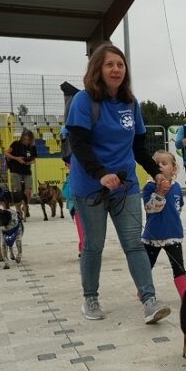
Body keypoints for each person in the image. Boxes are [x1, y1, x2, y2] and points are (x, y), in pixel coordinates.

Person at [66, 43, 171, 324]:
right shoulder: (83, 101)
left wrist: (155, 172)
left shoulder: (130, 103)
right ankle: (90, 297)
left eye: (120, 64)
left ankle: (149, 300)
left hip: (125, 186)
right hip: (91, 187)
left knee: (134, 244)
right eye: (109, 64)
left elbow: (138, 145)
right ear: (97, 69)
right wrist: (100, 173)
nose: (116, 69)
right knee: (94, 245)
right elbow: (78, 144)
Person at [142, 150, 186, 298]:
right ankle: (143, 290)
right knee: (146, 267)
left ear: (173, 169)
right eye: (156, 164)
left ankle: (185, 296)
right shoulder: (149, 187)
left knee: (179, 267)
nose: (160, 166)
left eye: (164, 163)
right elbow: (150, 209)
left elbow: (178, 206)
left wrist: (172, 221)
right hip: (153, 236)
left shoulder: (176, 187)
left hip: (173, 235)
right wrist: (160, 193)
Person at [4, 128, 37, 216]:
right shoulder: (15, 144)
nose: (26, 141)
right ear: (22, 137)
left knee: (28, 191)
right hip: (15, 170)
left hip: (27, 171)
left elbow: (34, 159)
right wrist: (17, 158)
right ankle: (18, 211)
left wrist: (30, 162)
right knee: (17, 192)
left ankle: (25, 206)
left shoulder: (32, 147)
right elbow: (6, 153)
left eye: (28, 140)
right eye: (25, 139)